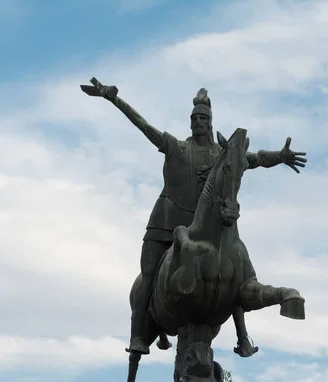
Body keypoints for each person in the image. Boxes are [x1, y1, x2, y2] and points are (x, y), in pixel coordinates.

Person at [94, 83, 307, 356]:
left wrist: (280, 156)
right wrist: (115, 100)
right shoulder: (177, 148)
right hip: (164, 225)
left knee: (231, 271)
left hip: (201, 229)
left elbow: (252, 159)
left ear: (210, 121)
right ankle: (138, 335)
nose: (197, 122)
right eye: (194, 118)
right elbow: (145, 127)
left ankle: (243, 337)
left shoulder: (221, 155)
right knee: (148, 275)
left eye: (203, 118)